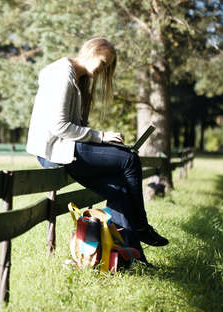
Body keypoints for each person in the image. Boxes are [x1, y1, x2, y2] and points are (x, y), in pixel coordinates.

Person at [26, 38, 168, 249]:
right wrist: (101, 137)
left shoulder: (78, 78)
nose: (103, 70)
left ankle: (130, 256)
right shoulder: (62, 74)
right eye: (103, 63)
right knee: (129, 159)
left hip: (66, 146)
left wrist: (105, 142)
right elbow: (59, 127)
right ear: (91, 52)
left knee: (119, 190)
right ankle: (140, 226)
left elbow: (73, 127)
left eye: (107, 67)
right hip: (55, 149)